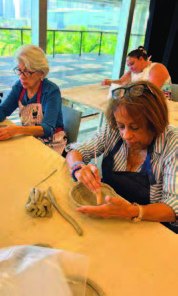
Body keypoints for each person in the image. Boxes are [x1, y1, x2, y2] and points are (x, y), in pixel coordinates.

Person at [66, 80, 178, 233]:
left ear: (154, 123)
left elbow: (173, 209)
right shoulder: (112, 129)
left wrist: (132, 211)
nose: (126, 135)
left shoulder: (172, 143)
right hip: (111, 221)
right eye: (121, 126)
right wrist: (78, 168)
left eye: (135, 127)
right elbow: (76, 151)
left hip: (149, 227)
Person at [0, 44, 66, 154]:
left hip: (52, 144)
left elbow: (48, 129)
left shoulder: (51, 91)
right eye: (19, 71)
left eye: (27, 71)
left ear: (41, 73)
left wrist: (15, 130)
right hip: (31, 139)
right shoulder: (20, 87)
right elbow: (3, 110)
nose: (22, 76)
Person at [102, 46, 172, 99]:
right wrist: (110, 82)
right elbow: (121, 82)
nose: (130, 67)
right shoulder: (132, 70)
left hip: (158, 102)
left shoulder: (157, 68)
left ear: (141, 59)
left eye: (132, 63)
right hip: (140, 98)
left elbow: (151, 90)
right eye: (128, 65)